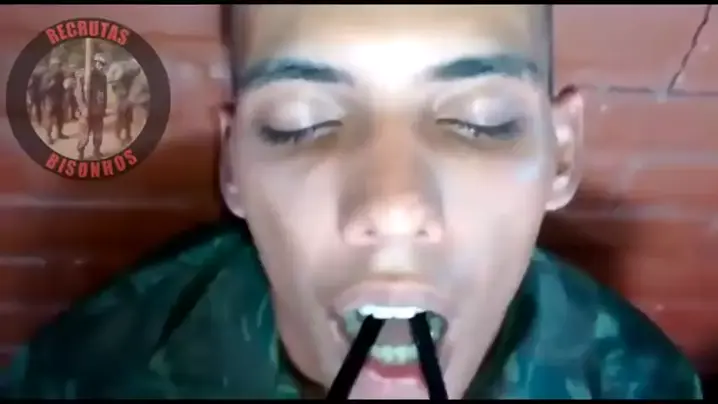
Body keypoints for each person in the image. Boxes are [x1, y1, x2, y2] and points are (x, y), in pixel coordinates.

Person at [0, 5, 702, 399]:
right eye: (301, 123)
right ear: (233, 165)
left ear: (562, 156)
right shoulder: (85, 377)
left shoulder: (643, 386)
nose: (393, 206)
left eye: (480, 121)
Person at [75, 54, 108, 160]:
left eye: (103, 65)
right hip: (86, 111)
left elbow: (104, 94)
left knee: (98, 135)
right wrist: (83, 108)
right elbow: (78, 94)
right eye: (99, 64)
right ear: (94, 63)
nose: (101, 67)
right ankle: (80, 153)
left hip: (98, 111)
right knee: (84, 136)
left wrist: (103, 108)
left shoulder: (103, 77)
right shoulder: (84, 75)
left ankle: (96, 151)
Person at [107, 59, 142, 145]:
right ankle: (122, 136)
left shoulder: (122, 68)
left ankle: (123, 136)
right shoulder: (127, 69)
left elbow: (112, 82)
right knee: (124, 116)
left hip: (125, 95)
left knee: (124, 117)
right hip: (125, 95)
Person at [40, 58, 67, 145]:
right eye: (57, 65)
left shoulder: (60, 75)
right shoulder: (47, 76)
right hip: (50, 101)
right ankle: (48, 136)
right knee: (50, 120)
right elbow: (43, 89)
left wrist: (64, 96)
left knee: (60, 118)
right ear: (53, 66)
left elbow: (62, 87)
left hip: (59, 100)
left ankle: (60, 133)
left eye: (60, 65)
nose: (59, 67)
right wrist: (51, 84)